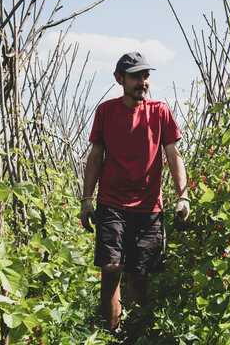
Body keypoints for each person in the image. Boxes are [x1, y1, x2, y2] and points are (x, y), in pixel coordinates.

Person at [79, 51, 190, 333]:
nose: (143, 82)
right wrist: (86, 199)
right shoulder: (105, 111)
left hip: (148, 207)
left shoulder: (160, 112)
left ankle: (135, 336)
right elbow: (95, 157)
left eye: (146, 76)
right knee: (111, 269)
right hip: (111, 202)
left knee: (138, 275)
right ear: (120, 79)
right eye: (136, 77)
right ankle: (111, 333)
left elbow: (173, 154)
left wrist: (183, 196)